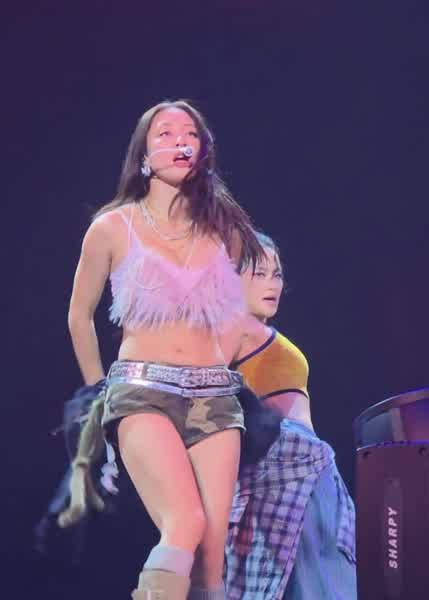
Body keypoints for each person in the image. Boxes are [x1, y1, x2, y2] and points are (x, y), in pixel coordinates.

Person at [66, 99, 265, 600]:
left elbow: (233, 313)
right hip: (142, 392)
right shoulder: (113, 227)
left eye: (190, 134)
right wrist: (97, 391)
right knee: (185, 521)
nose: (180, 141)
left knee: (213, 559)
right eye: (165, 133)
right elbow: (79, 315)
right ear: (143, 156)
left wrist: (219, 361)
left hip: (215, 398)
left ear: (202, 152)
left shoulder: (223, 231)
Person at [224, 233, 357, 599]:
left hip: (304, 470)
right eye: (259, 273)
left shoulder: (248, 328)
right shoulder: (233, 327)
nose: (273, 284)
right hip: (283, 474)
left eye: (277, 274)